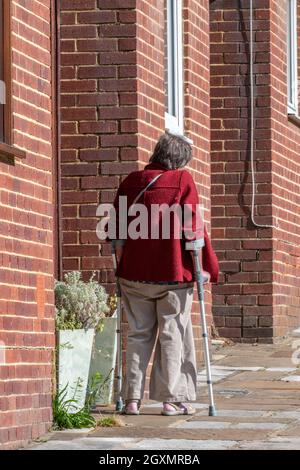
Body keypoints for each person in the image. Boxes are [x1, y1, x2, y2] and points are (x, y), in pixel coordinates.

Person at [109, 132, 219, 416]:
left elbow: (116, 233)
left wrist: (123, 267)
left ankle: (132, 400)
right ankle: (171, 400)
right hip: (173, 275)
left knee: (138, 335)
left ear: (157, 153)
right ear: (181, 160)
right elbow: (194, 230)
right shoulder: (183, 181)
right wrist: (204, 269)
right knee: (173, 334)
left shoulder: (131, 181)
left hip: (134, 276)